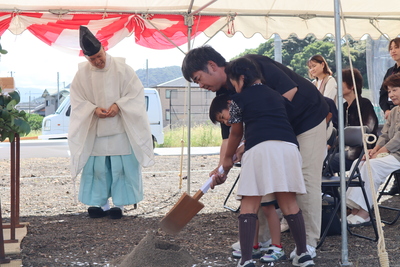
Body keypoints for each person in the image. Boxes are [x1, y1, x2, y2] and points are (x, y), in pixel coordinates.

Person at [182, 46, 329, 258]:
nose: (201, 85)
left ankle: (307, 244)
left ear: (212, 66)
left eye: (198, 78)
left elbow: (290, 91)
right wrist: (223, 167)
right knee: (259, 176)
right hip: (274, 131)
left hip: (308, 119)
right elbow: (230, 136)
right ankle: (261, 238)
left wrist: (255, 138)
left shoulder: (251, 65)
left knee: (304, 180)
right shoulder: (224, 94)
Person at [209, 57, 314, 267]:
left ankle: (247, 259)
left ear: (241, 78)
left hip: (259, 148)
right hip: (288, 148)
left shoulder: (238, 100)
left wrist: (227, 159)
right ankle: (303, 254)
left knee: (249, 203)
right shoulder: (276, 95)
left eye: (233, 82)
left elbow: (236, 133)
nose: (233, 88)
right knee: (289, 202)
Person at [68, 26, 154, 219]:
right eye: (92, 59)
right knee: (97, 168)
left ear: (104, 50)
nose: (98, 61)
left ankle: (120, 205)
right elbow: (77, 100)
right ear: (86, 58)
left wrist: (119, 105)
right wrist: (92, 109)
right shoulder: (81, 74)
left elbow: (136, 94)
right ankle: (100, 204)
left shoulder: (123, 69)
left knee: (121, 168)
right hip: (96, 129)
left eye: (99, 56)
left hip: (120, 129)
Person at [346, 73, 400, 226]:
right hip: (391, 153)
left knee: (372, 166)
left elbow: (398, 139)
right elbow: (384, 135)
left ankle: (365, 212)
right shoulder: (395, 111)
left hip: (398, 155)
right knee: (360, 162)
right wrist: (374, 150)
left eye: (395, 90)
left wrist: (380, 153)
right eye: (389, 91)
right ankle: (355, 209)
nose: (391, 95)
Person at [328, 68, 378, 173]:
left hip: (358, 152)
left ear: (351, 86)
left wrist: (341, 137)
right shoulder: (344, 106)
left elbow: (367, 131)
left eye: (340, 82)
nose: (337, 86)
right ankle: (330, 189)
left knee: (327, 161)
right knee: (319, 158)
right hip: (342, 150)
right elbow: (337, 128)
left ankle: (329, 189)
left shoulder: (364, 104)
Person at [378, 37, 400, 195]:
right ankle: (397, 183)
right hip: (392, 111)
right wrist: (387, 109)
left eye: (396, 47)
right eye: (391, 48)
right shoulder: (389, 71)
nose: (393, 50)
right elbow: (382, 93)